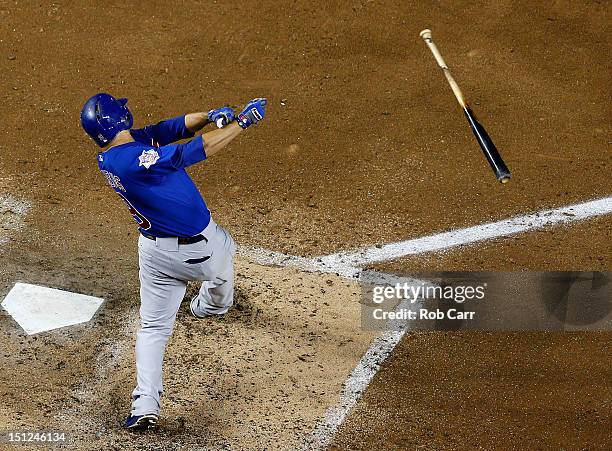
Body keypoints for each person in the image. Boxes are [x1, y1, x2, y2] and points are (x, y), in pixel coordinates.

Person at [80, 93, 267, 430]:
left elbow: (167, 129)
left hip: (155, 255)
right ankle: (210, 307)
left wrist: (209, 115)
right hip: (200, 252)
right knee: (224, 253)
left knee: (153, 328)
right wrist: (242, 123)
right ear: (118, 121)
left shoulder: (111, 155)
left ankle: (144, 404)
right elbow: (192, 151)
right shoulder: (135, 159)